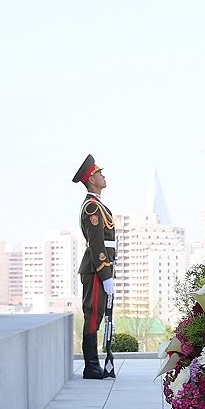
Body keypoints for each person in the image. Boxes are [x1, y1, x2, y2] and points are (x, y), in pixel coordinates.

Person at [72, 155, 117, 380]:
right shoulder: (91, 207)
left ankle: (94, 364)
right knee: (93, 315)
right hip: (96, 268)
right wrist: (105, 273)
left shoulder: (98, 205)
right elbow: (97, 242)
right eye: (100, 173)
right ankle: (91, 366)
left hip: (102, 267)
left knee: (97, 314)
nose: (103, 176)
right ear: (91, 179)